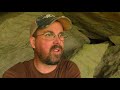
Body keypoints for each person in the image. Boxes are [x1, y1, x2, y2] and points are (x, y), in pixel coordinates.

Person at [3, 14, 80, 78]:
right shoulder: (15, 74)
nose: (58, 41)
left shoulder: (68, 69)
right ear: (33, 42)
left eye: (60, 35)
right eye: (49, 35)